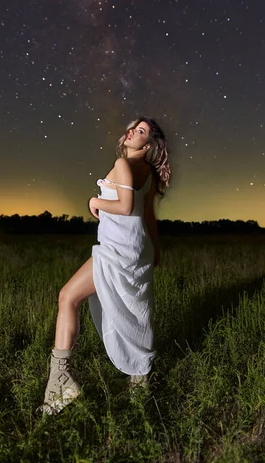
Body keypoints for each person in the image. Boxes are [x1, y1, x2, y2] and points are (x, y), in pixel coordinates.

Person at [38, 116, 171, 414]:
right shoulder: (148, 172)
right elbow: (147, 215)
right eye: (133, 127)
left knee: (67, 297)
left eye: (140, 132)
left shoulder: (123, 165)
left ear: (147, 144)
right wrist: (155, 251)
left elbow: (124, 206)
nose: (131, 132)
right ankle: (139, 377)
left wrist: (94, 202)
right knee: (133, 309)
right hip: (136, 248)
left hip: (119, 248)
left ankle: (61, 383)